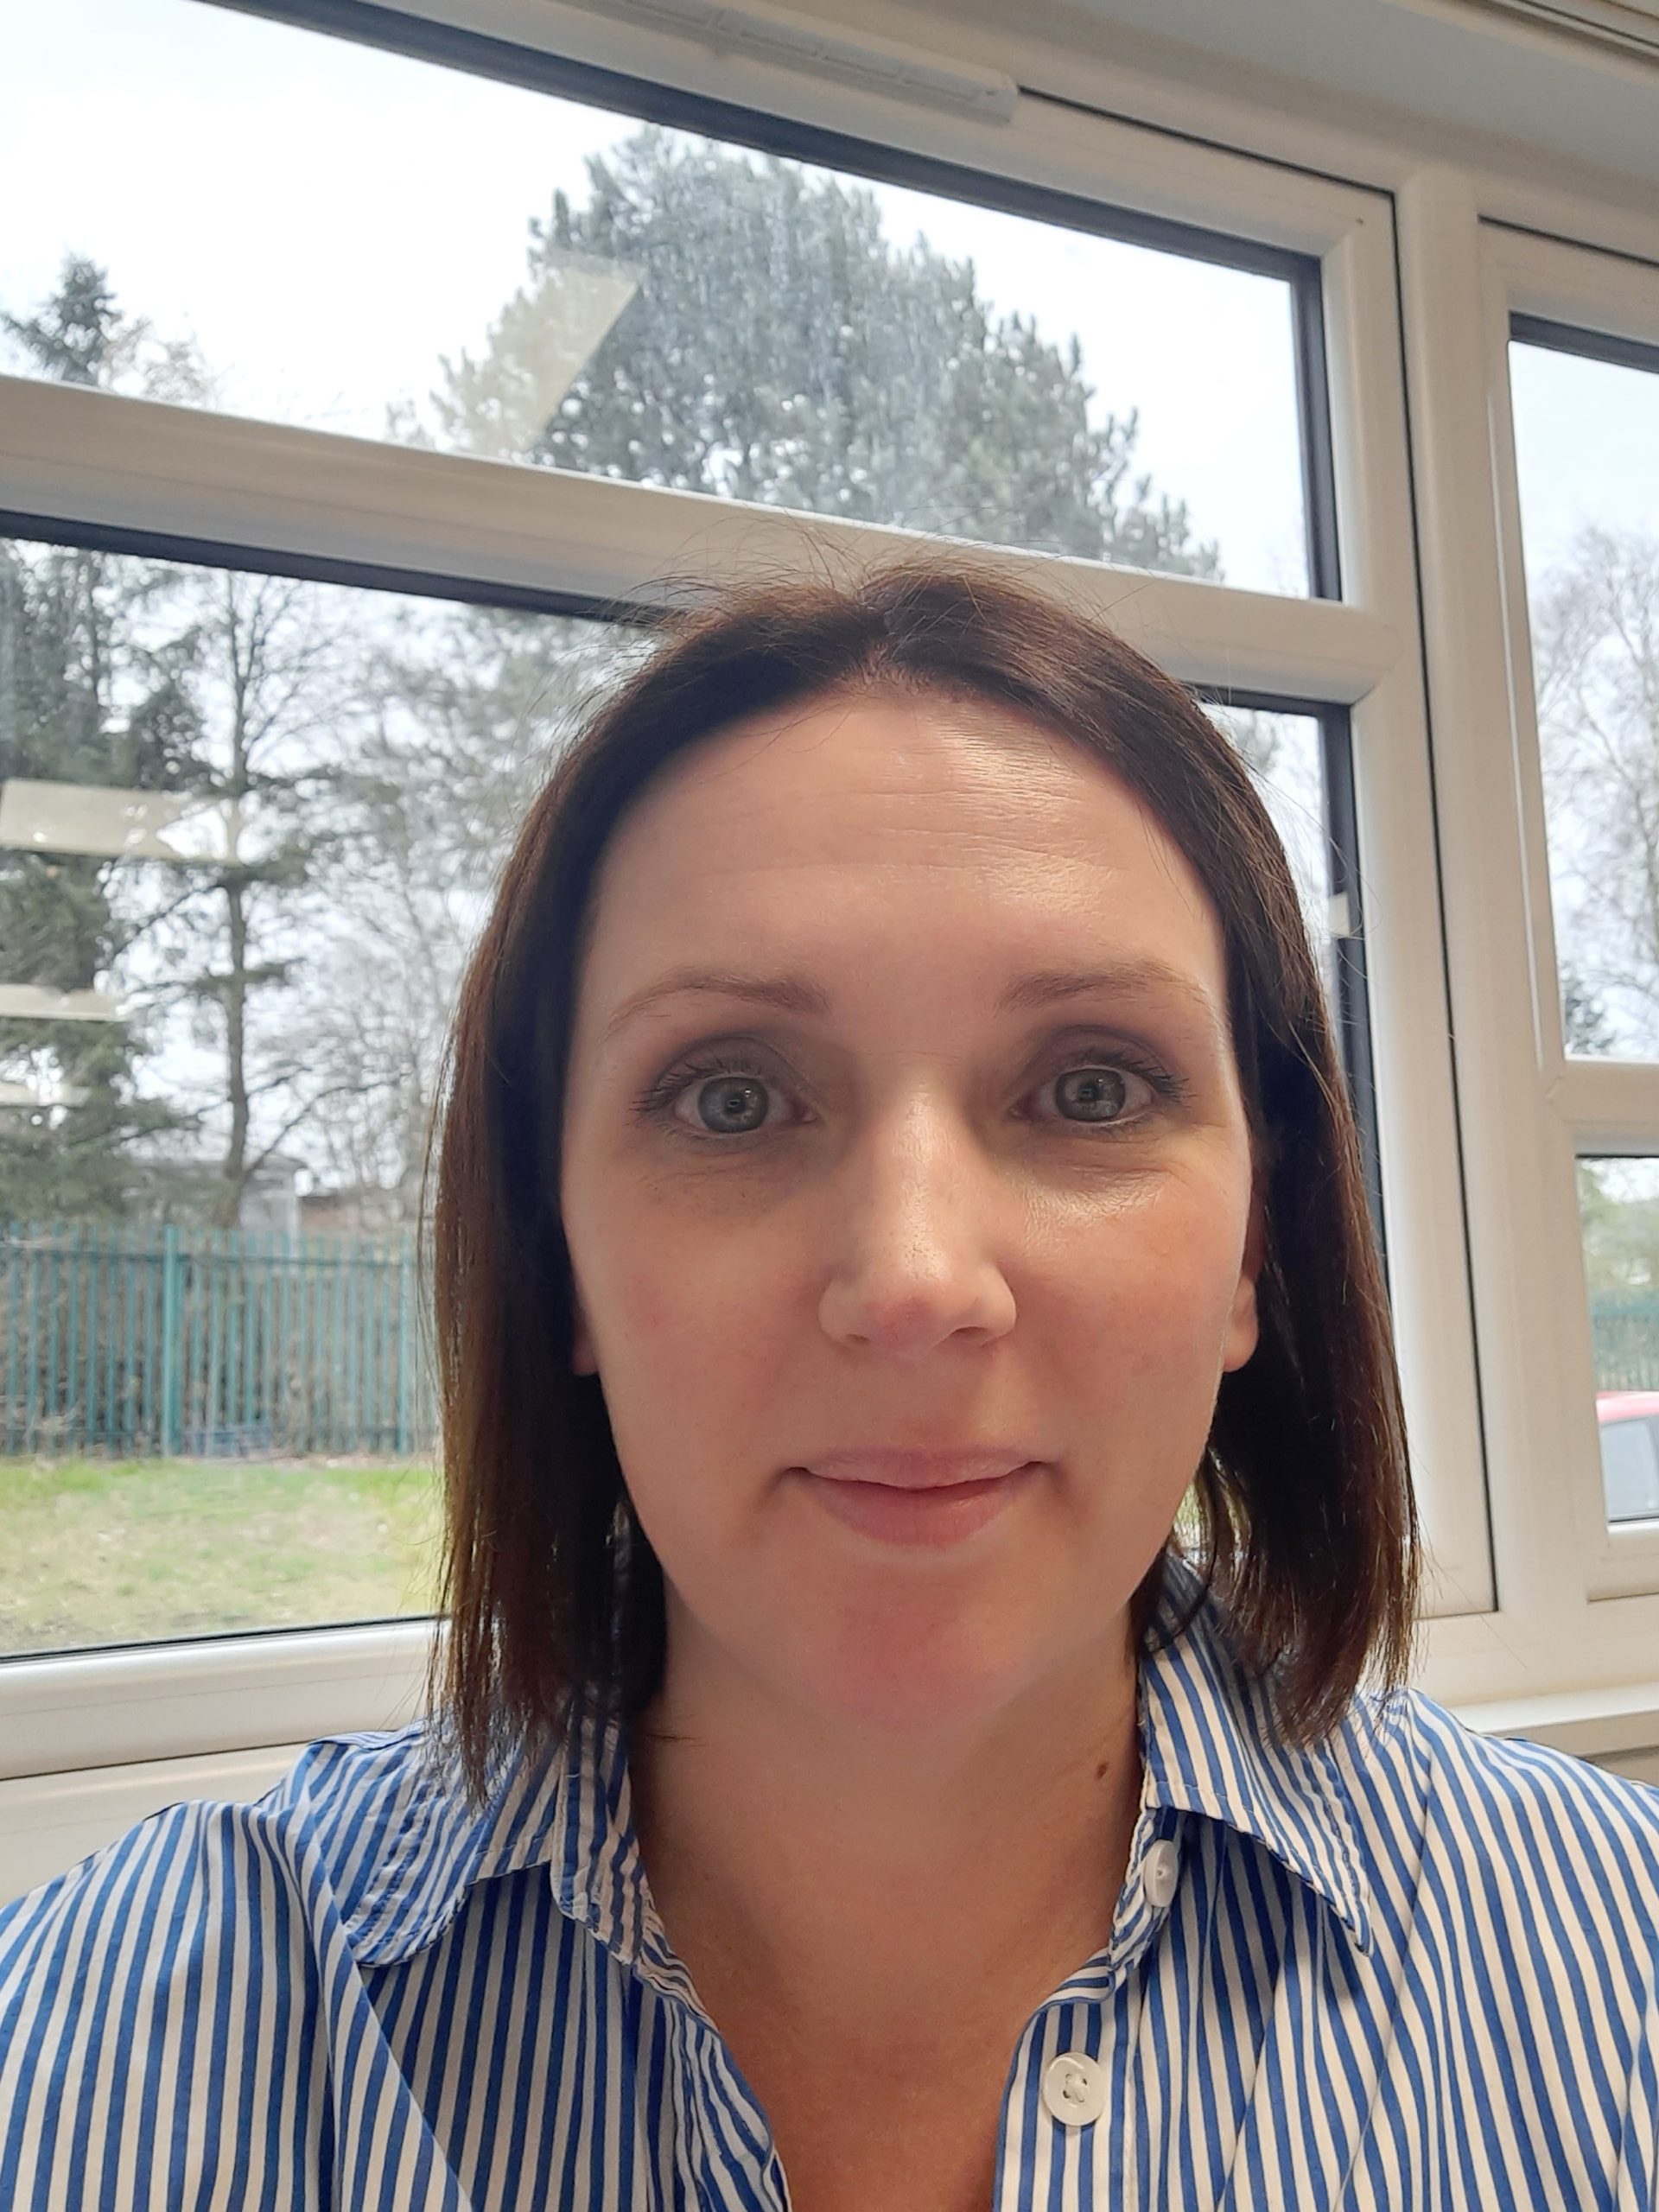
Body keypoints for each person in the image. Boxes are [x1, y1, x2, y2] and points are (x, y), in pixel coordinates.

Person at [2, 555, 1656, 2212]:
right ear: (557, 1249)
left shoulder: (1616, 1965)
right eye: (732, 1099)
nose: (917, 1283)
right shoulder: (106, 2051)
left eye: (1091, 1087)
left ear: (1255, 1252)